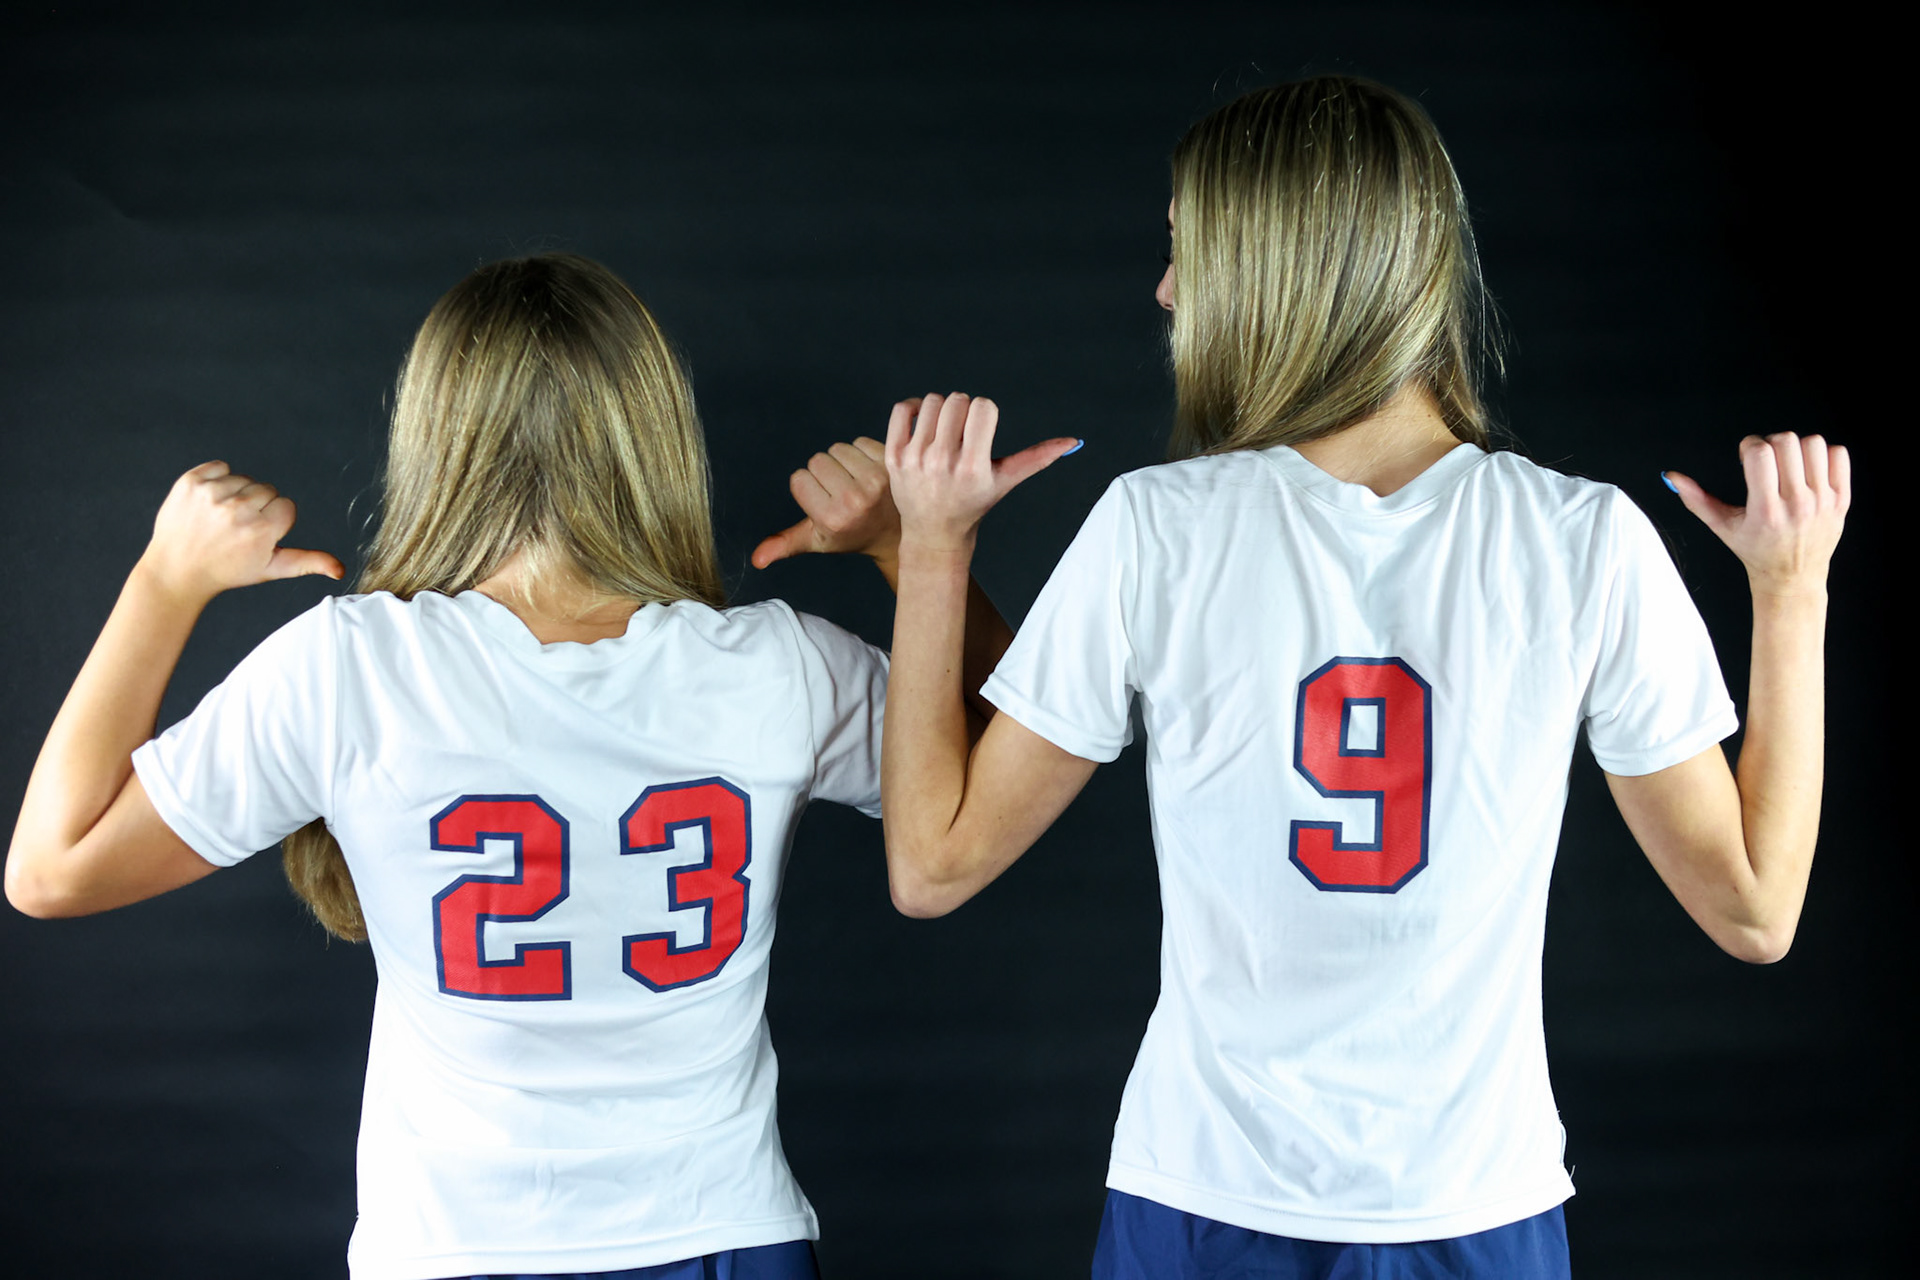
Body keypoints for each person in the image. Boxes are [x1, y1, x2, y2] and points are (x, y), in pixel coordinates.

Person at [858, 77, 1848, 1278]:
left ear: (1278, 266)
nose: (1166, 290)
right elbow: (1755, 909)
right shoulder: (1584, 538)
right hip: (1474, 1218)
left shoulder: (1156, 526)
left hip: (1205, 1211)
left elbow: (932, 863)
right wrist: (1792, 587)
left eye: (1186, 250)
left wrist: (931, 547)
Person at [4, 253, 1001, 1280]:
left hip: (453, 1247)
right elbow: (1011, 757)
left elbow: (51, 868)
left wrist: (167, 579)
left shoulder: (353, 667)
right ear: (655, 432)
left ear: (435, 437)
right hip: (726, 1237)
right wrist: (909, 550)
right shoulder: (775, 663)